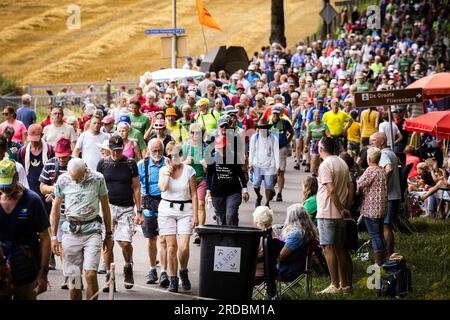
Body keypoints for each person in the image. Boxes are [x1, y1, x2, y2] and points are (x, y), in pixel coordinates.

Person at [50, 158, 113, 300]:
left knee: (90, 274)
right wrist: (54, 237)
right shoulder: (63, 180)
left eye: (78, 178)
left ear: (85, 169)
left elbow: (105, 206)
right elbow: (55, 209)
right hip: (71, 232)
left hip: (92, 230)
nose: (76, 181)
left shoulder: (98, 178)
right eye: (73, 178)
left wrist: (109, 235)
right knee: (74, 278)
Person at [97, 136, 143, 292]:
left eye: (118, 150)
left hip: (126, 208)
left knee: (124, 242)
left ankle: (128, 265)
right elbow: (97, 186)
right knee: (107, 243)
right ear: (109, 149)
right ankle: (110, 278)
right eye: (113, 150)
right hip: (107, 207)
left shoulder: (130, 164)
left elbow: (136, 187)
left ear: (123, 148)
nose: (115, 153)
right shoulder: (103, 163)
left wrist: (139, 210)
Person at [0, 159, 50, 300]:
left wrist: (43, 273)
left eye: (8, 186)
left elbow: (45, 238)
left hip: (25, 262)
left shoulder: (32, 200)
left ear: (16, 177)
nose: (5, 190)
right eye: (2, 186)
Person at [158, 142, 198, 293]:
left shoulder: (189, 170)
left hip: (185, 210)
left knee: (184, 246)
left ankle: (183, 270)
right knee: (171, 247)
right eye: (170, 156)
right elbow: (162, 188)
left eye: (176, 155)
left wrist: (195, 214)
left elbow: (194, 193)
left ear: (180, 156)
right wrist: (169, 171)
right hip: (167, 210)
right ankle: (173, 279)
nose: (173, 158)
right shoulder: (163, 170)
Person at [316, 136, 353, 295]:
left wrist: (340, 208)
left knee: (327, 248)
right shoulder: (342, 162)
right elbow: (350, 187)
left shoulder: (325, 164)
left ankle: (334, 284)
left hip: (327, 211)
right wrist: (346, 207)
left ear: (321, 149)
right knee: (340, 249)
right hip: (340, 214)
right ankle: (345, 285)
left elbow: (330, 190)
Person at [206, 123, 249, 226]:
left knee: (231, 215)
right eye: (219, 148)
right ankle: (223, 239)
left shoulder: (234, 157)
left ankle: (234, 238)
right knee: (222, 219)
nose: (221, 151)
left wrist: (245, 190)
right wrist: (208, 191)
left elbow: (240, 174)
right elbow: (209, 175)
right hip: (217, 192)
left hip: (233, 191)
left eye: (223, 148)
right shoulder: (212, 158)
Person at [137, 138, 167, 286]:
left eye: (159, 150)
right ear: (148, 150)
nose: (157, 153)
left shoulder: (168, 163)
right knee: (151, 239)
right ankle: (151, 269)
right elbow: (135, 187)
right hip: (148, 203)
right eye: (154, 150)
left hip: (165, 203)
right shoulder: (142, 165)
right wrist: (138, 210)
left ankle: (164, 271)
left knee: (164, 239)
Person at [369, 132, 401, 258]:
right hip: (394, 194)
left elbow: (389, 168)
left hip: (389, 195)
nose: (371, 143)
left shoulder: (383, 154)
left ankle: (388, 255)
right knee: (387, 226)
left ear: (381, 142)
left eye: (373, 141)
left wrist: (379, 181)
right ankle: (389, 254)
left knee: (385, 226)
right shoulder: (391, 152)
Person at [356, 147, 387, 266]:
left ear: (369, 158)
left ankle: (378, 263)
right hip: (382, 207)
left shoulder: (370, 170)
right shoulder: (381, 170)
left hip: (371, 208)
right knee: (379, 234)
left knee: (375, 235)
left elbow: (359, 185)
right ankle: (383, 259)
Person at [182, 123, 208, 245]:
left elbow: (210, 168)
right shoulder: (186, 146)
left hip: (201, 178)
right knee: (191, 206)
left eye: (197, 133)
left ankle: (200, 231)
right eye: (192, 132)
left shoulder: (206, 147)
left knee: (201, 204)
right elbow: (179, 163)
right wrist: (187, 161)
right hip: (189, 180)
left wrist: (203, 163)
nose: (194, 135)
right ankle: (189, 227)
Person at [278, 204, 319, 278]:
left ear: (291, 218)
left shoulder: (296, 234)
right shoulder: (307, 231)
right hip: (297, 266)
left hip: (287, 269)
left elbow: (280, 257)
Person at [17, 124, 54, 204]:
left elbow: (55, 172)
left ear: (42, 135)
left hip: (46, 191)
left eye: (36, 139)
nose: (33, 142)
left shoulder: (50, 150)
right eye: (31, 139)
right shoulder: (22, 151)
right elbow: (20, 173)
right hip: (29, 189)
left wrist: (52, 192)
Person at [249, 119, 279, 208]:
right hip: (257, 164)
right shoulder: (255, 137)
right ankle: (259, 196)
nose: (262, 130)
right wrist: (250, 164)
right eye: (260, 128)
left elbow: (276, 153)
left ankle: (267, 203)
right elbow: (252, 151)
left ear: (267, 129)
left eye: (264, 128)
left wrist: (277, 167)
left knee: (269, 185)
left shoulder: (273, 138)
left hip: (270, 165)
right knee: (256, 184)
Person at [269, 105, 294, 201]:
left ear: (280, 114)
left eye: (277, 113)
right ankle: (271, 187)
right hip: (271, 149)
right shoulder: (269, 122)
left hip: (281, 148)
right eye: (273, 113)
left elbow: (292, 132)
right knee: (272, 171)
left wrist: (287, 142)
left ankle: (279, 193)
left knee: (281, 171)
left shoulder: (284, 122)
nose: (275, 115)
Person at [304, 109, 331, 176]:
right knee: (314, 158)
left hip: (322, 142)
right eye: (315, 116)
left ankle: (321, 173)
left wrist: (329, 139)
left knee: (322, 159)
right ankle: (314, 173)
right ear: (313, 117)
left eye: (318, 116)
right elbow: (308, 136)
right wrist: (305, 146)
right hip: (314, 143)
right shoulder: (311, 125)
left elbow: (328, 134)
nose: (317, 117)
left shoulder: (324, 124)